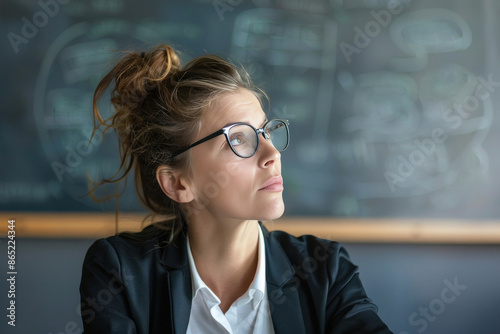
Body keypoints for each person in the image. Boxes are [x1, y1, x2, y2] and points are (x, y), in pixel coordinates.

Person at [80, 43, 393, 334]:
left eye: (266, 131)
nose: (273, 155)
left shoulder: (325, 269)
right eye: (239, 139)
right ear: (178, 183)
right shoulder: (120, 272)